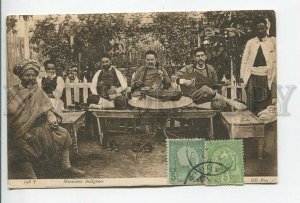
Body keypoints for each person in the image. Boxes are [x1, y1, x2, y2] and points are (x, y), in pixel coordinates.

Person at [7, 59, 85, 179]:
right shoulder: (12, 92)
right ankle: (31, 176)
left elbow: (47, 108)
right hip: (19, 130)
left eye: (33, 75)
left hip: (40, 126)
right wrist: (22, 128)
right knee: (21, 145)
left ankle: (66, 166)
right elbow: (9, 115)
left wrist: (52, 119)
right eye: (27, 75)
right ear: (21, 76)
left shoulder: (38, 90)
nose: (31, 78)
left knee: (63, 133)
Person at [173, 47, 247, 110]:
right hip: (192, 95)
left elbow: (215, 85)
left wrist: (224, 83)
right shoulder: (189, 68)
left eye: (202, 55)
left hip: (206, 97)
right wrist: (183, 81)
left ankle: (194, 106)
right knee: (205, 88)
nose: (200, 58)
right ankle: (230, 101)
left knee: (222, 104)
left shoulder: (210, 69)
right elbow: (173, 78)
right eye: (198, 56)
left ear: (205, 57)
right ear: (195, 58)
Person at [86, 54, 128, 151]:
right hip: (102, 97)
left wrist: (116, 91)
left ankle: (100, 107)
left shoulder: (116, 71)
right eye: (103, 62)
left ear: (110, 62)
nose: (105, 64)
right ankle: (100, 107)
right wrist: (97, 93)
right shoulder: (99, 73)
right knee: (90, 98)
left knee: (121, 100)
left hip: (113, 97)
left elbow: (124, 85)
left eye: (107, 62)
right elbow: (93, 86)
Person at [240, 17, 276, 114]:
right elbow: (244, 61)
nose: (260, 31)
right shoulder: (251, 42)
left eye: (262, 28)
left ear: (266, 27)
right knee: (252, 103)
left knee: (265, 103)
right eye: (258, 29)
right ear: (255, 29)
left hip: (267, 76)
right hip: (252, 76)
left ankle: (264, 124)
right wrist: (242, 77)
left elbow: (276, 61)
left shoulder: (273, 42)